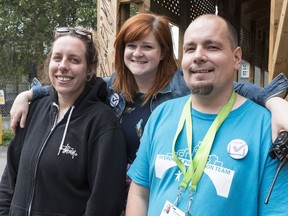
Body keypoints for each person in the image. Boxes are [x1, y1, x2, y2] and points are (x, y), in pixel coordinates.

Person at [9, 13, 288, 203]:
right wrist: (30, 95)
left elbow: (237, 88)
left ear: (164, 52)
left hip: (163, 195)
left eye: (147, 46)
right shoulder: (110, 88)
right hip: (116, 197)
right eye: (131, 45)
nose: (137, 53)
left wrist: (273, 102)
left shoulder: (184, 86)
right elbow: (73, 83)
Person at [126, 14, 288, 215]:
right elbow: (140, 191)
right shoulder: (162, 114)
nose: (198, 56)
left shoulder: (267, 128)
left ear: (236, 58)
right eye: (190, 49)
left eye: (212, 47)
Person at [0, 27, 127, 215]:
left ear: (90, 70)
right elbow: (9, 181)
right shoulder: (32, 110)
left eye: (74, 59)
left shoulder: (103, 123)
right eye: (57, 58)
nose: (63, 66)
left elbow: (104, 203)